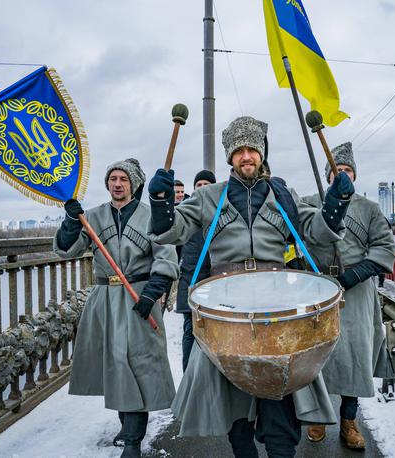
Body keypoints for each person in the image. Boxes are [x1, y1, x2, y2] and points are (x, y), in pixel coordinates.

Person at [146, 116, 355, 458]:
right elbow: (172, 231)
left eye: (252, 149)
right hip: (226, 309)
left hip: (278, 310)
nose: (246, 156)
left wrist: (335, 206)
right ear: (230, 157)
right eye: (239, 150)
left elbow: (314, 231)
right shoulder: (208, 197)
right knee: (235, 407)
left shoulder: (283, 194)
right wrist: (159, 200)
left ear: (262, 154)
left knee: (281, 400)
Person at [53, 158, 179, 458]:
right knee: (116, 363)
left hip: (139, 297)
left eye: (123, 178)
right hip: (105, 299)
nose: (117, 183)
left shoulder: (151, 217)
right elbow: (65, 249)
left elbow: (166, 256)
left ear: (133, 184)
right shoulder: (92, 217)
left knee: (139, 365)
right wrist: (71, 223)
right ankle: (127, 424)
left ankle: (134, 441)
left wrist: (153, 292)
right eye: (113, 178)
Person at [301, 142, 395, 449]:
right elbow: (294, 237)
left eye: (347, 171)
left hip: (355, 291)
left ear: (354, 175)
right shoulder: (310, 202)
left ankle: (349, 421)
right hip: (317, 289)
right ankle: (315, 417)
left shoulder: (370, 209)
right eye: (337, 171)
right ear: (328, 175)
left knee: (354, 356)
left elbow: (384, 247)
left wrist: (356, 274)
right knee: (313, 357)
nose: (342, 175)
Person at [175, 169, 216, 371]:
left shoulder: (222, 213)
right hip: (190, 280)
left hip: (216, 283)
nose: (202, 188)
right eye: (199, 185)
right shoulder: (186, 215)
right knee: (190, 332)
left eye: (207, 185)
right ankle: (188, 378)